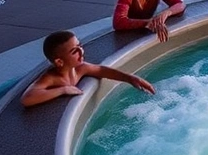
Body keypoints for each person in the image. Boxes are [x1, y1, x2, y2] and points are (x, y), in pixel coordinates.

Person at [20, 30, 155, 108]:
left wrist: (130, 78)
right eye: (75, 51)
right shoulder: (51, 78)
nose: (82, 51)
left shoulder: (79, 68)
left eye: (80, 45)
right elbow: (27, 99)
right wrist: (63, 89)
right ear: (59, 62)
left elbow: (101, 70)